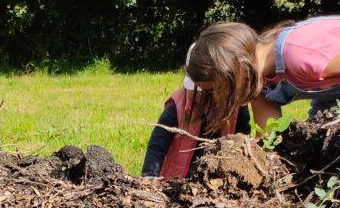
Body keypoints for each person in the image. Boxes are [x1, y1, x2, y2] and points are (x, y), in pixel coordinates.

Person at [186, 19, 340, 134]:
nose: (215, 98)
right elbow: (268, 134)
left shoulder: (298, 54)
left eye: (214, 90)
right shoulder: (258, 82)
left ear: (232, 70)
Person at [141, 44, 251, 178]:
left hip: (217, 181)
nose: (204, 95)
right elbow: (157, 144)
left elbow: (243, 138)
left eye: (210, 91)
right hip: (179, 180)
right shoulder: (177, 106)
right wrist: (150, 175)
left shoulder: (236, 108)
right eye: (199, 89)